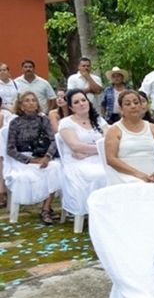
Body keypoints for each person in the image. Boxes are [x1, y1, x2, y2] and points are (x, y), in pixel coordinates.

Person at [6, 91, 62, 224]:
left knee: (56, 168)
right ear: (21, 105)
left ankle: (46, 208)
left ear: (37, 104)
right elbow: (10, 149)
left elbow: (54, 140)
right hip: (24, 159)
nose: (31, 103)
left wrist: (47, 157)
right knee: (26, 176)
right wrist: (30, 161)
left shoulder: (43, 120)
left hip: (42, 156)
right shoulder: (15, 122)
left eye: (33, 100)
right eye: (27, 100)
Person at [104, 90, 154, 192]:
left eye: (136, 102)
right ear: (121, 109)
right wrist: (139, 175)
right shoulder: (114, 130)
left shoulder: (152, 127)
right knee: (144, 192)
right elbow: (111, 159)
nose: (133, 106)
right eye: (128, 104)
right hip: (127, 176)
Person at [58, 89, 108, 215]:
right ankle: (96, 210)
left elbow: (109, 141)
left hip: (100, 158)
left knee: (115, 171)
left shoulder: (99, 120)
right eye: (76, 102)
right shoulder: (66, 123)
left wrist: (87, 150)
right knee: (98, 174)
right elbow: (75, 146)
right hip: (77, 163)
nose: (81, 103)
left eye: (83, 100)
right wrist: (99, 147)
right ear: (71, 107)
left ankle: (110, 210)